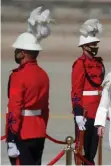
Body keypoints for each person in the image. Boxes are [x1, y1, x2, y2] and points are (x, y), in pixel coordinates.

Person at [5, 6, 53, 165]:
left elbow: (15, 108)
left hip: (22, 132)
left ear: (23, 53)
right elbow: (45, 108)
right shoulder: (43, 74)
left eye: (18, 50)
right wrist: (41, 127)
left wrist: (11, 138)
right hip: (39, 131)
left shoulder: (18, 76)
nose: (16, 53)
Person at [71, 19, 105, 164]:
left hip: (97, 111)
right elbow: (76, 90)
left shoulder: (98, 63)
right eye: (92, 45)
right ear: (84, 46)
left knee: (92, 150)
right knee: (82, 151)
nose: (95, 47)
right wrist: (78, 112)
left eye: (95, 44)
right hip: (85, 112)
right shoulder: (80, 64)